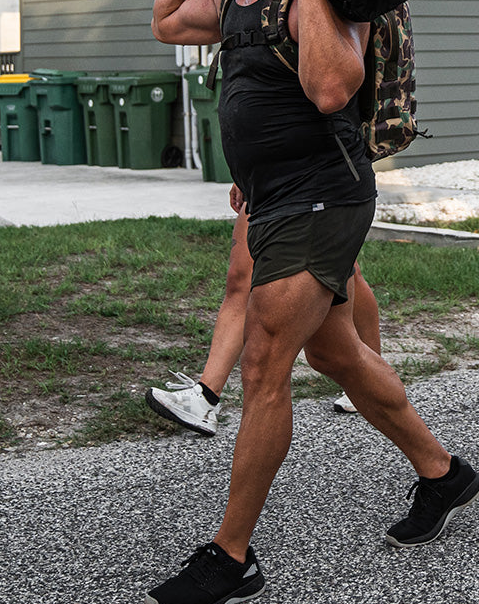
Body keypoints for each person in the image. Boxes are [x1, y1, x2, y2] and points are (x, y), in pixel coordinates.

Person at [144, 0, 479, 604]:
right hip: (272, 201)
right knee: (339, 354)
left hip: (323, 201)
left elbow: (333, 86)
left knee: (265, 364)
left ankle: (231, 558)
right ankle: (442, 474)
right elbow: (165, 21)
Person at [146, 186, 379, 436]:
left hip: (318, 179)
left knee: (345, 270)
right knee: (241, 278)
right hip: (269, 174)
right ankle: (205, 397)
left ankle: (370, 381)